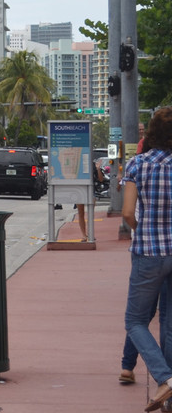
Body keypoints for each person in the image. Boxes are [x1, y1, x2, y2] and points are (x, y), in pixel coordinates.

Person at [122, 107, 172, 411]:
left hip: (149, 253)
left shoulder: (138, 164)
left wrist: (144, 231)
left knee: (135, 320)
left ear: (150, 133)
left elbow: (128, 212)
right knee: (169, 323)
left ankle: (165, 379)